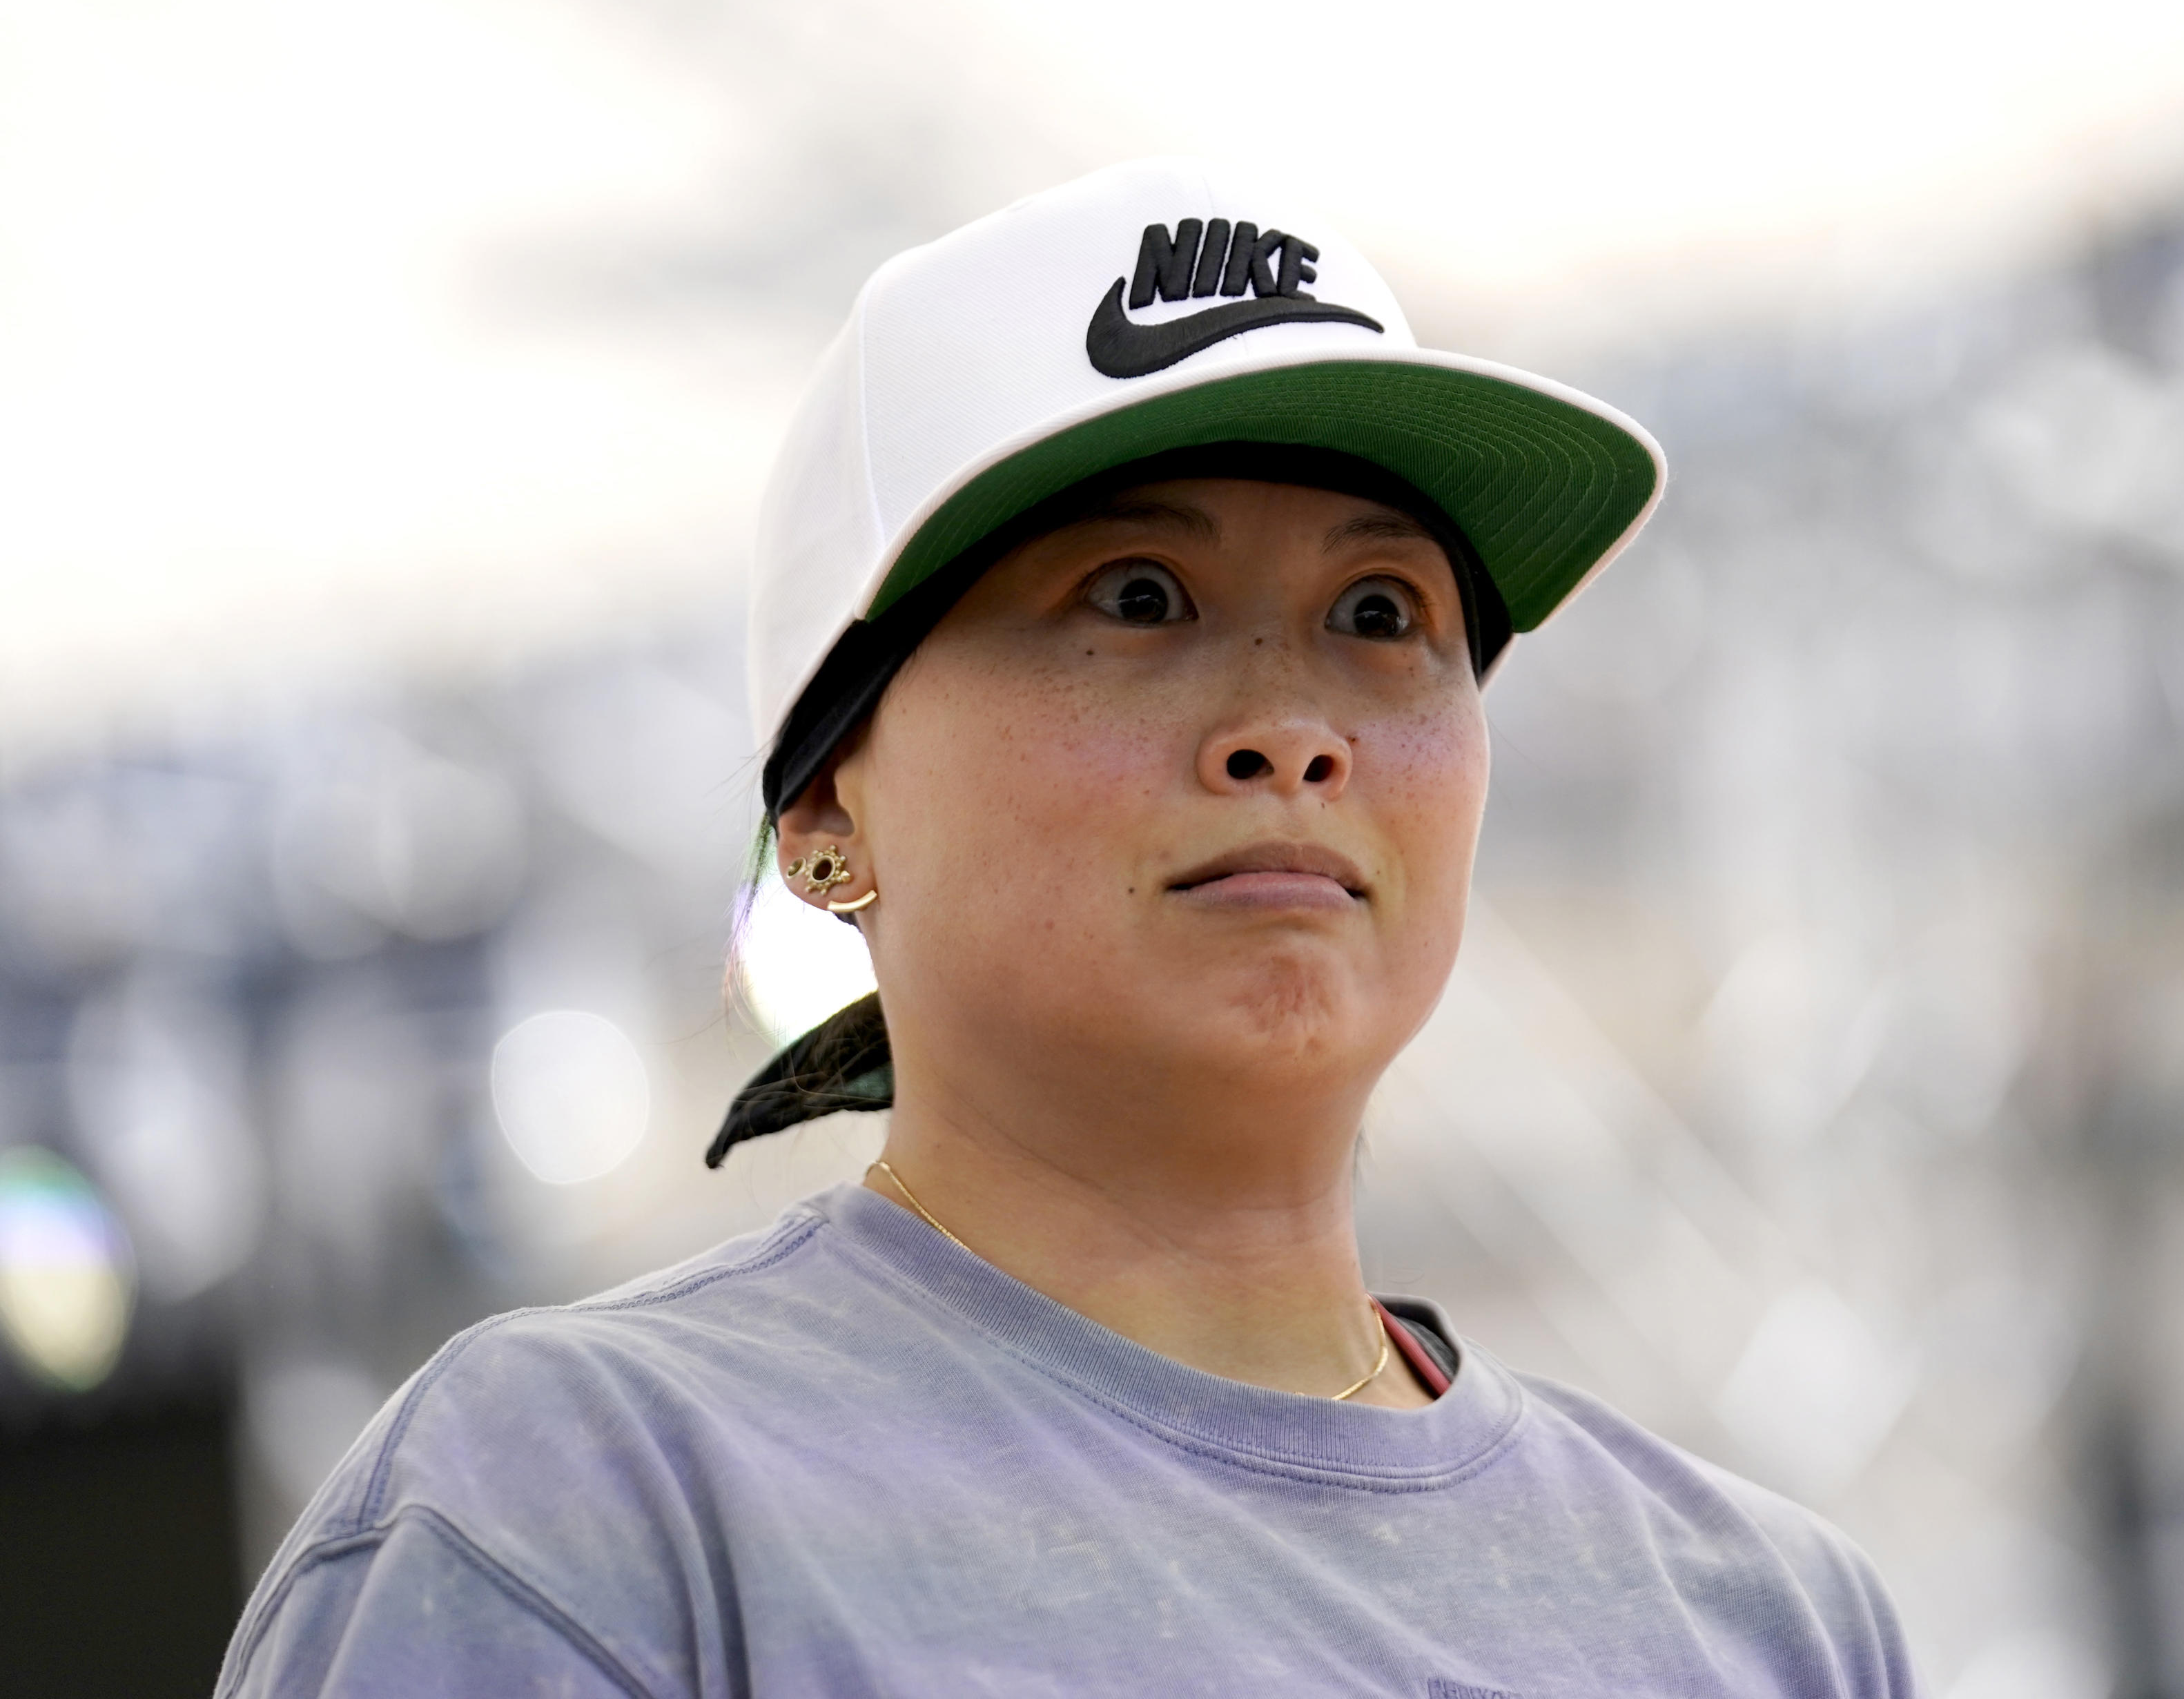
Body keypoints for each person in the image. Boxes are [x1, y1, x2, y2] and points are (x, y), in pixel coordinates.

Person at [218, 159, 1918, 1698]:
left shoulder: (1765, 1622)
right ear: (825, 816)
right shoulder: (582, 1508)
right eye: (1136, 596)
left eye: (1384, 612)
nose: (1292, 727)